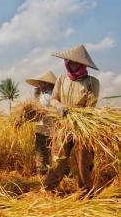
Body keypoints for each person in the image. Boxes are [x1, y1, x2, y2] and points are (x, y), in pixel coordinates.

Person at [44, 44, 100, 192]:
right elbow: (53, 99)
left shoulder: (92, 82)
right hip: (63, 125)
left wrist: (77, 115)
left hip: (83, 126)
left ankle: (86, 192)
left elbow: (91, 106)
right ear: (67, 63)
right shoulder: (62, 79)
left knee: (84, 160)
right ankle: (50, 188)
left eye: (76, 63)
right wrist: (59, 107)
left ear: (82, 64)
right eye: (71, 63)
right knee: (57, 157)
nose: (73, 65)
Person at [25, 70, 57, 175]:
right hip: (49, 130)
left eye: (42, 83)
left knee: (43, 156)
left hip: (46, 131)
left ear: (49, 83)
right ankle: (56, 175)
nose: (40, 85)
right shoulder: (49, 95)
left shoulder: (47, 96)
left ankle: (42, 176)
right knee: (54, 155)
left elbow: (40, 113)